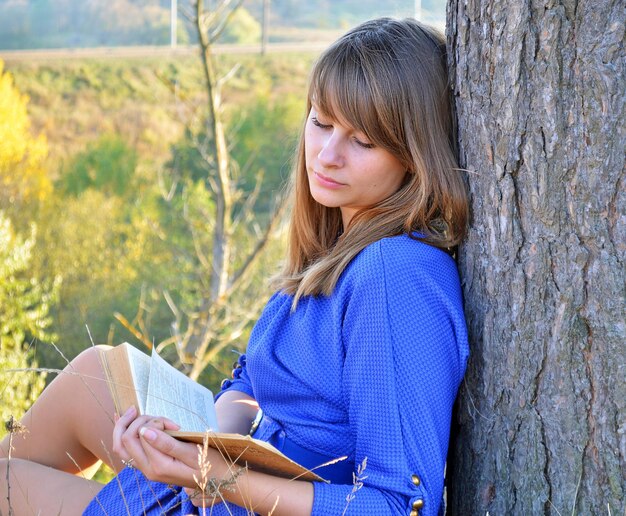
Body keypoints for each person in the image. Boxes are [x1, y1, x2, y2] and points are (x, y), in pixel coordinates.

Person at [0, 16, 469, 516]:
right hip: (234, 475)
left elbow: (399, 505)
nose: (327, 155)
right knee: (95, 371)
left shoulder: (393, 276)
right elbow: (251, 381)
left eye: (364, 141)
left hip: (246, 499)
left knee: (6, 483)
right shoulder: (342, 243)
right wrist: (198, 442)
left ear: (414, 154)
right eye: (322, 122)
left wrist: (218, 476)